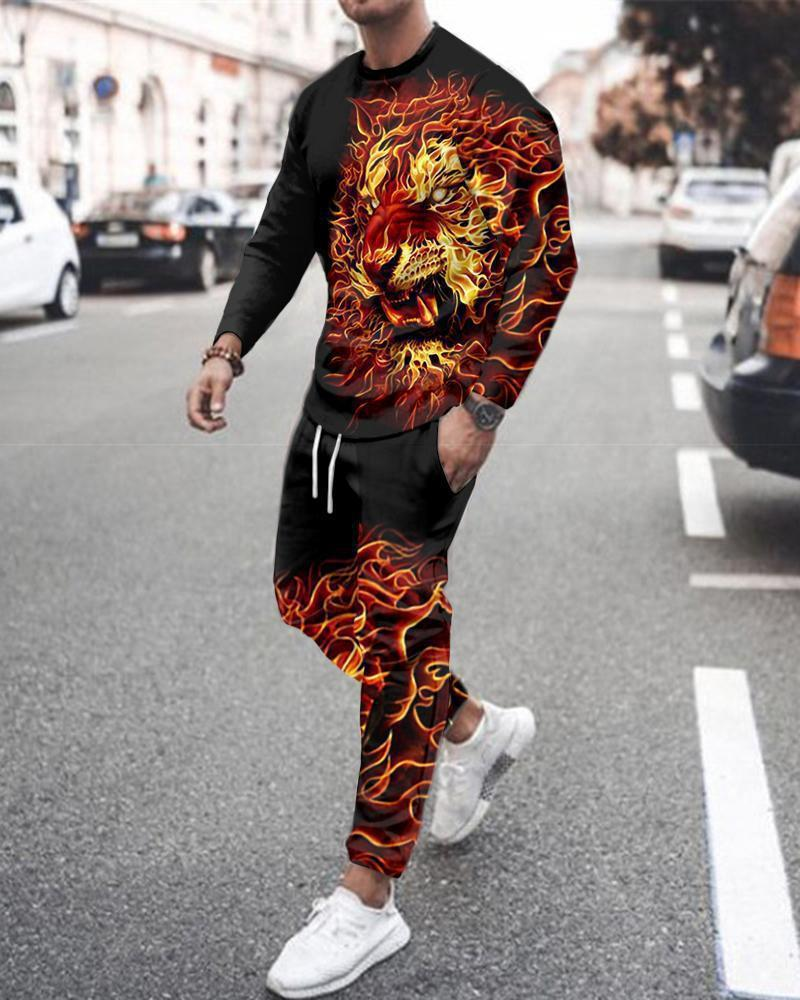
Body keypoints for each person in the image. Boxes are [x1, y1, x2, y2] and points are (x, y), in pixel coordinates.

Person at [186, 1, 577, 995]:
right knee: (308, 592)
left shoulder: (499, 106)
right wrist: (228, 346)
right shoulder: (321, 103)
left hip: (432, 416)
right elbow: (280, 238)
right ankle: (469, 725)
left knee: (400, 630)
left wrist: (483, 408)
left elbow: (545, 259)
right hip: (333, 410)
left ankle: (367, 896)